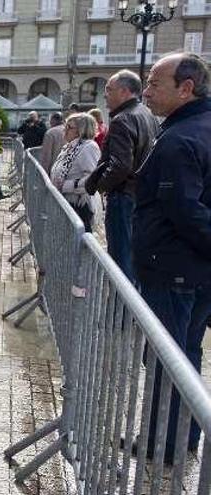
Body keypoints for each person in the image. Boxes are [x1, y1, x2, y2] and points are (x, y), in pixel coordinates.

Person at [133, 53, 211, 464]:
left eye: (154, 84)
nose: (147, 91)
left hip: (175, 270)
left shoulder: (181, 138)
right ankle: (184, 438)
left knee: (167, 361)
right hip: (194, 272)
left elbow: (187, 211)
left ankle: (162, 446)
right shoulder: (197, 128)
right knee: (188, 356)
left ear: (186, 88)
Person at [84, 70, 158, 283]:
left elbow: (120, 165)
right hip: (140, 195)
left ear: (125, 92)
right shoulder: (146, 114)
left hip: (123, 197)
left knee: (121, 256)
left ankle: (121, 309)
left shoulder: (122, 119)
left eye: (109, 89)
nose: (105, 94)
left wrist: (102, 185)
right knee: (132, 254)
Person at [50, 113, 102, 232]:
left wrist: (65, 186)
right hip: (66, 203)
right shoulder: (69, 147)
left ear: (81, 130)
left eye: (69, 127)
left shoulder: (89, 147)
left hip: (79, 206)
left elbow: (92, 179)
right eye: (65, 126)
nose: (65, 130)